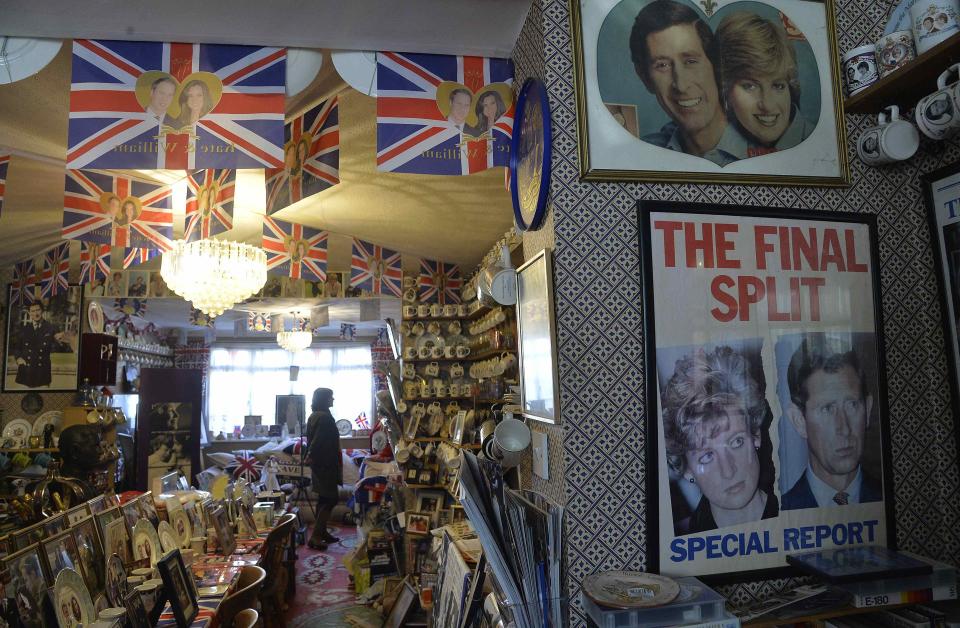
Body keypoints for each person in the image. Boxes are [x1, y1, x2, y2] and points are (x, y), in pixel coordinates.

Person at [661, 345, 778, 534]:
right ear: (687, 470)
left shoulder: (799, 514)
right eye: (707, 456)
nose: (728, 471)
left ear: (756, 435)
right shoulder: (680, 542)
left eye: (736, 442)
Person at [630, 0, 746, 165]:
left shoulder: (765, 146)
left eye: (690, 61)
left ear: (715, 64)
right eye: (662, 65)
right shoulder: (642, 156)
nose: (681, 85)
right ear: (644, 78)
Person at [782, 335, 882, 509]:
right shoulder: (783, 511)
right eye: (827, 409)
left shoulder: (895, 501)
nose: (843, 428)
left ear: (867, 409)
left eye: (851, 405)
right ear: (799, 421)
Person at [715, 12, 815, 157]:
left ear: (791, 88)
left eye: (778, 86)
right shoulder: (709, 146)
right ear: (725, 90)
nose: (767, 105)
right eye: (750, 86)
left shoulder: (817, 144)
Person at [306, 387, 342, 550]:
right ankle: (316, 536)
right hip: (326, 464)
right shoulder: (325, 418)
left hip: (319, 464)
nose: (333, 400)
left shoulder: (314, 416)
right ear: (324, 399)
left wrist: (311, 456)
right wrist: (311, 454)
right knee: (330, 498)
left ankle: (322, 532)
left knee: (323, 498)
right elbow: (318, 441)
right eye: (331, 397)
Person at [11, 301, 70, 388]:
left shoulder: (51, 328)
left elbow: (62, 347)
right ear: (29, 313)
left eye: (38, 310)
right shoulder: (24, 329)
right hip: (25, 372)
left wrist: (61, 341)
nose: (36, 313)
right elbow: (17, 348)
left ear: (42, 311)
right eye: (33, 311)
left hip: (42, 373)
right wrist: (18, 358)